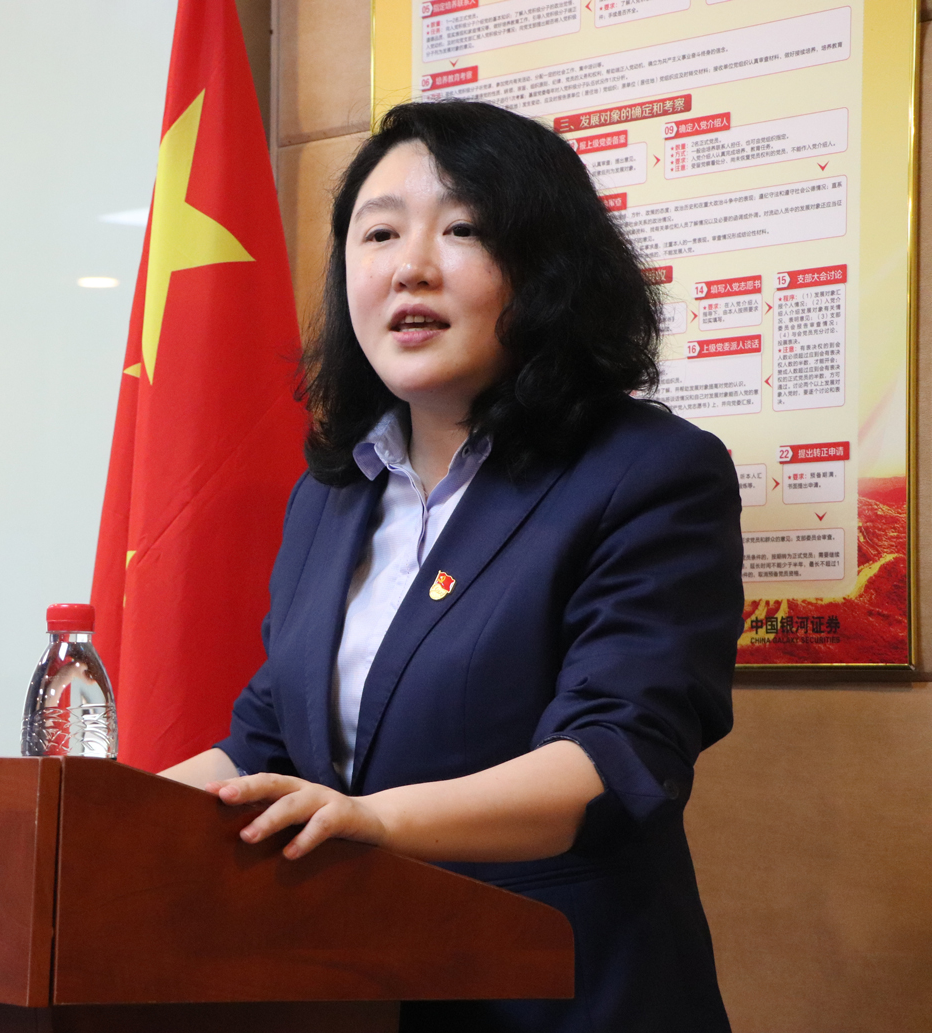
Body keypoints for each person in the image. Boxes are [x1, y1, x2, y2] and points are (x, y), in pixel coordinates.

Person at [161, 100, 743, 1032]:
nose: (410, 266)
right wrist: (89, 818)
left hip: (568, 996)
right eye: (379, 233)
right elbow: (266, 742)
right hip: (361, 991)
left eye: (462, 229)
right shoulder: (330, 495)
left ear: (548, 264)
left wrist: (378, 819)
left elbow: (615, 754)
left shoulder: (649, 472)